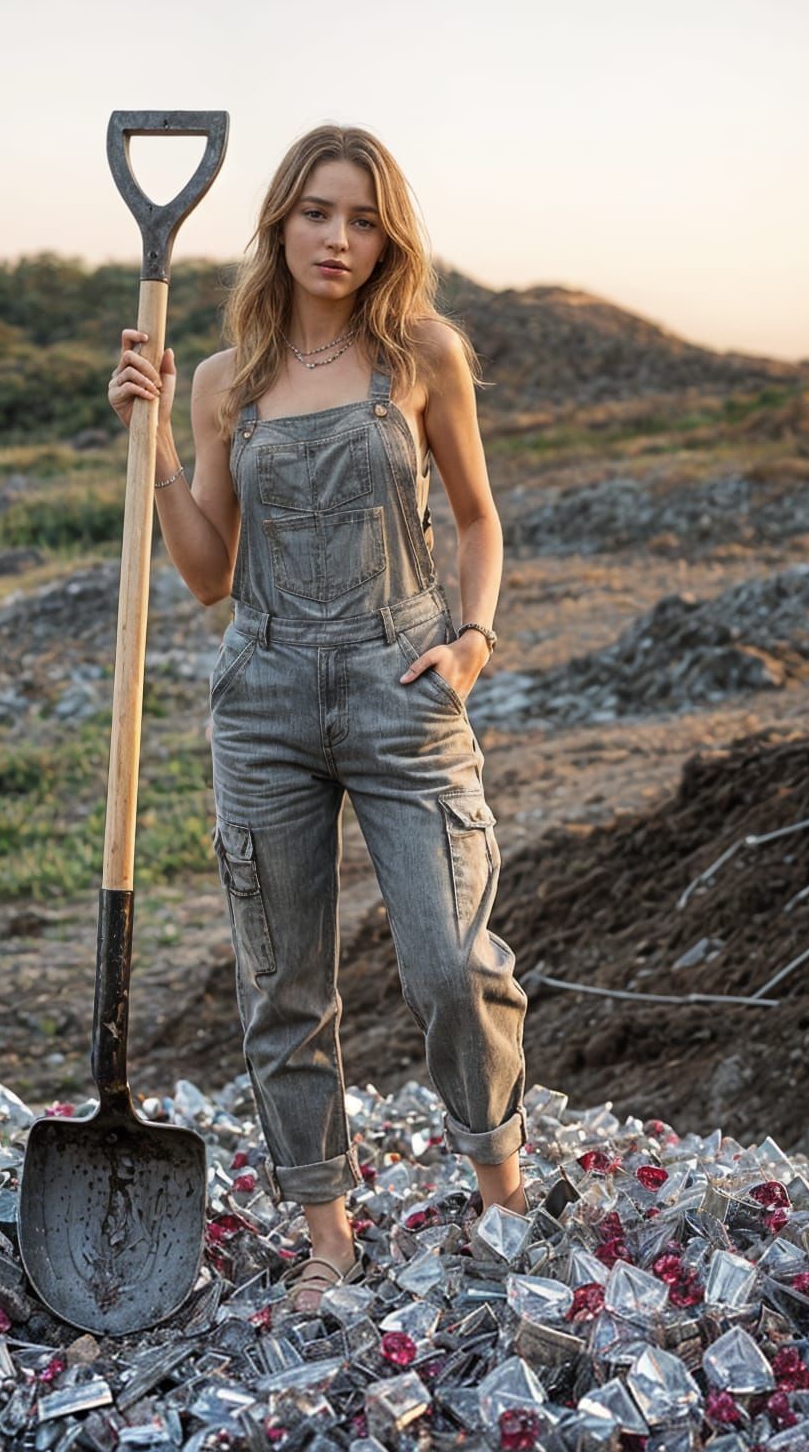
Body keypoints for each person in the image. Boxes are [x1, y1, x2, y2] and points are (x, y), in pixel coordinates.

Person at [106, 123, 529, 1312]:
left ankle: (499, 1181)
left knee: (450, 963)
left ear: (386, 234)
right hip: (266, 702)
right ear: (279, 222)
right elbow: (205, 572)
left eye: (361, 219)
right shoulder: (224, 379)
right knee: (283, 981)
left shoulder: (423, 355)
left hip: (405, 692)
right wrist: (148, 450)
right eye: (315, 215)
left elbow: (479, 518)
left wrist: (473, 639)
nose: (337, 240)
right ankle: (326, 1228)